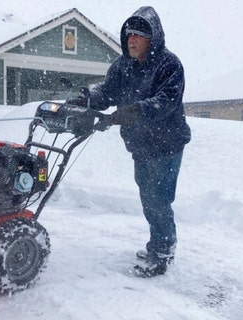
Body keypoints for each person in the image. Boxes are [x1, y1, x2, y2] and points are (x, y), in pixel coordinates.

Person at [67, 6, 191, 277]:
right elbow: (107, 91)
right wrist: (86, 97)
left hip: (166, 144)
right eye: (129, 34)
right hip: (140, 145)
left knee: (158, 199)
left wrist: (135, 110)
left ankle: (162, 251)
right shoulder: (122, 66)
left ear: (153, 38)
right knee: (148, 197)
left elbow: (165, 102)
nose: (132, 40)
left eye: (139, 35)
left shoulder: (169, 65)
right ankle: (157, 244)